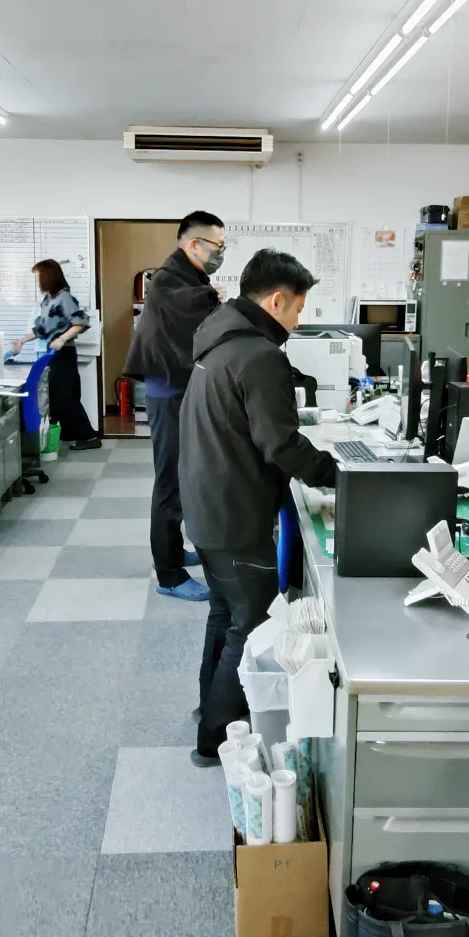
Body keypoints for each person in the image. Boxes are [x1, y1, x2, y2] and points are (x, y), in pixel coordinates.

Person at [179, 249, 337, 766]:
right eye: (296, 309)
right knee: (250, 626)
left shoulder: (218, 340)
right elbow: (282, 445)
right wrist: (340, 477)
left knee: (224, 616)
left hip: (207, 503)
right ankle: (215, 741)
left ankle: (210, 714)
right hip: (235, 513)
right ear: (275, 300)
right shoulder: (260, 355)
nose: (297, 320)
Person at [123, 211, 226, 602]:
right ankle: (168, 574)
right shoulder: (168, 277)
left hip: (174, 386)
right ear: (194, 243)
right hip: (168, 390)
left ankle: (173, 549)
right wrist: (214, 297)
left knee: (182, 477)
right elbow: (188, 304)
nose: (221, 253)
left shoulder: (189, 275)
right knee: (171, 480)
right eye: (218, 246)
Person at [8, 258, 100, 450]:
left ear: (48, 277)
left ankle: (89, 437)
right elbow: (41, 328)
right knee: (57, 396)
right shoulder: (49, 300)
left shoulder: (65, 298)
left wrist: (62, 338)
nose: (37, 280)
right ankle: (68, 433)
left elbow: (80, 322)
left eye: (39, 276)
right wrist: (21, 342)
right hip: (53, 353)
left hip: (64, 353)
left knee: (65, 396)